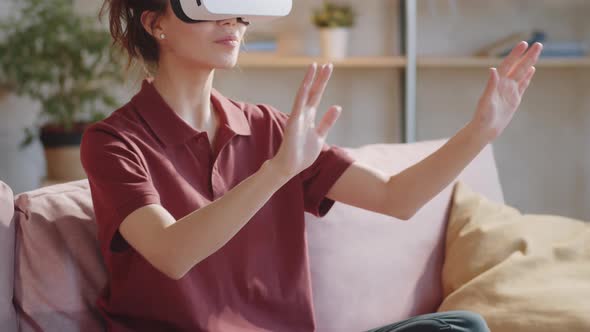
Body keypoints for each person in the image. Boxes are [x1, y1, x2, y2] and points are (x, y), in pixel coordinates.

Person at [80, 1, 543, 331]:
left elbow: (396, 198)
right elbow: (171, 253)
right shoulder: (115, 142)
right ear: (155, 23)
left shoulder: (269, 128)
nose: (233, 20)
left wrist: (479, 131)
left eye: (239, 8)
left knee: (462, 326)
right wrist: (277, 172)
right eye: (208, 5)